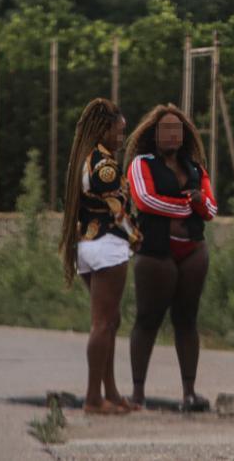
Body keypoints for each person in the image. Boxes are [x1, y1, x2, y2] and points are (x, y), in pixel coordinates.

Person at [123, 104, 218, 412]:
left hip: (192, 249)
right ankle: (138, 393)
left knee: (187, 320)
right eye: (166, 129)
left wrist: (198, 205)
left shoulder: (195, 168)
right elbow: (145, 200)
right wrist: (188, 207)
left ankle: (189, 392)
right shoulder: (141, 164)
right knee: (148, 319)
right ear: (154, 134)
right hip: (155, 250)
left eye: (177, 129)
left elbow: (212, 209)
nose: (172, 134)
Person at [59, 98, 142, 415]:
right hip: (107, 245)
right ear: (103, 129)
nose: (122, 138)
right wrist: (136, 238)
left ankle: (110, 391)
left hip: (86, 246)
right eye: (119, 132)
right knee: (103, 323)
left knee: (110, 321)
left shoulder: (84, 158)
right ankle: (94, 397)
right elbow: (118, 211)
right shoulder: (105, 166)